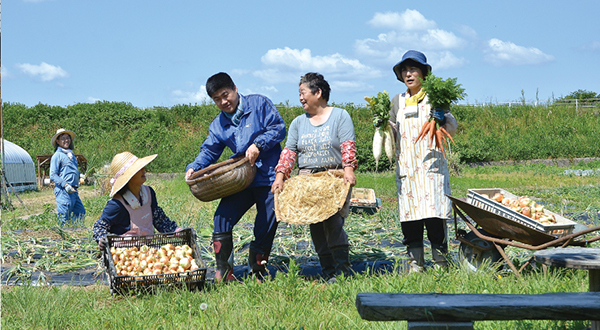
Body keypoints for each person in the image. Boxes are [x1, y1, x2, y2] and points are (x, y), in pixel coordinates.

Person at [185, 72, 286, 282]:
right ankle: (224, 271)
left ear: (235, 88)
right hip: (240, 179)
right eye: (217, 99)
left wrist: (259, 144)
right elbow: (209, 150)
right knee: (222, 217)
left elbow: (279, 128)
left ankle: (258, 270)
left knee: (266, 222)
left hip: (268, 177)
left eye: (225, 95)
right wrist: (194, 167)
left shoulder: (259, 104)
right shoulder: (218, 124)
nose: (223, 102)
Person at [271, 72, 358, 282]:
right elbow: (290, 151)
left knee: (333, 224)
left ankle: (342, 271)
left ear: (318, 92)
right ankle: (328, 270)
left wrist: (349, 169)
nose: (300, 98)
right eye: (299, 93)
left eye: (303, 92)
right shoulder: (299, 123)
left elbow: (348, 145)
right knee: (316, 226)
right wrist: (280, 175)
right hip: (307, 181)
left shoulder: (340, 116)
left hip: (333, 178)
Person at [389, 50, 458, 272]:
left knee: (435, 216)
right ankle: (415, 264)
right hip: (407, 167)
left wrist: (443, 118)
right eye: (405, 70)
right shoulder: (397, 101)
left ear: (423, 73)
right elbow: (391, 133)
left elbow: (452, 128)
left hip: (431, 166)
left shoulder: (436, 97)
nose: (409, 74)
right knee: (410, 219)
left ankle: (440, 263)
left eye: (413, 69)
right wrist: (382, 127)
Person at [93, 152, 182, 249]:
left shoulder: (148, 193)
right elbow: (99, 226)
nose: (144, 170)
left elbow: (159, 219)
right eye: (139, 169)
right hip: (126, 255)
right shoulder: (117, 205)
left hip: (149, 251)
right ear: (129, 178)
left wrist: (175, 230)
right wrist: (102, 238)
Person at [49, 128, 86, 226]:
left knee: (80, 211)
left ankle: (75, 231)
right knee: (64, 216)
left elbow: (71, 170)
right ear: (57, 141)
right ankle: (62, 236)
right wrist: (65, 185)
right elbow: (52, 175)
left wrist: (79, 175)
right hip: (63, 190)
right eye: (63, 138)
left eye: (68, 138)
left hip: (73, 190)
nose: (66, 140)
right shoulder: (57, 156)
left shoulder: (71, 154)